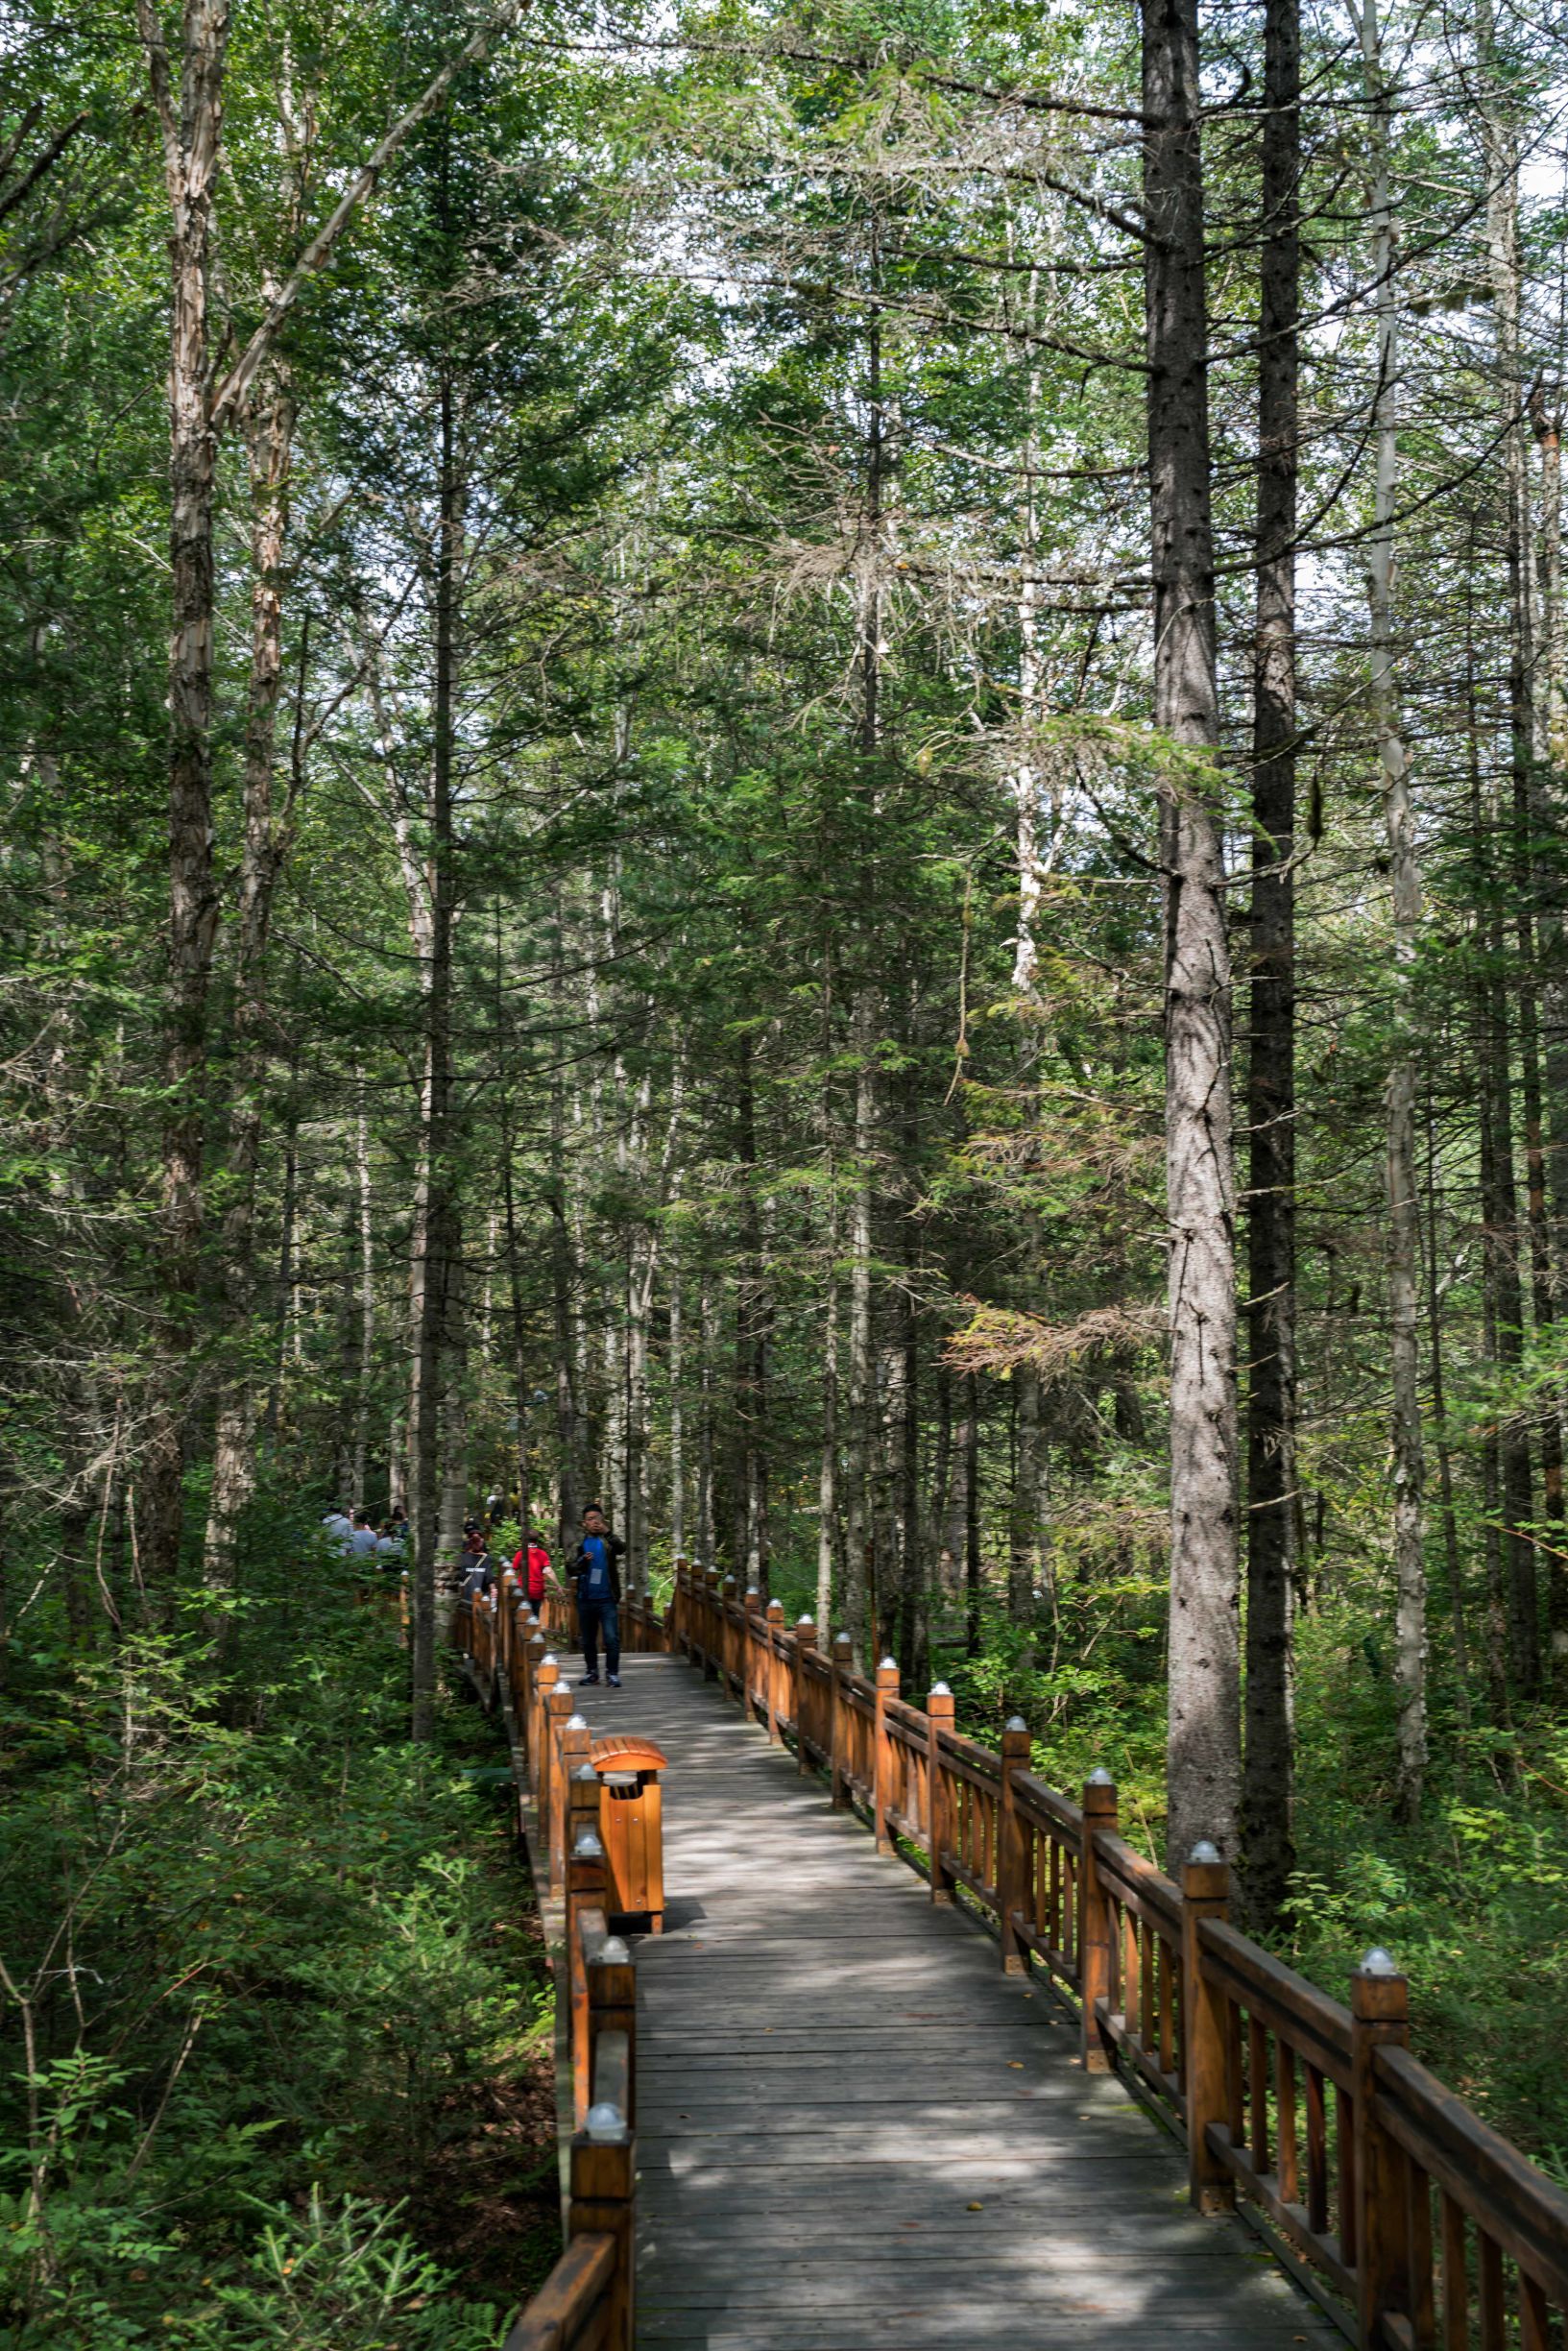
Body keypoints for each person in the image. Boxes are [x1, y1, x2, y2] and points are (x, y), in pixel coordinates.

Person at [568, 1503, 625, 1687]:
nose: (594, 1522)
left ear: (603, 1519)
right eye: (590, 1519)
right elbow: (570, 1568)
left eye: (597, 1518)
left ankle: (612, 1674)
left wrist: (607, 1531)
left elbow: (622, 1548)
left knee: (611, 1638)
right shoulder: (579, 1544)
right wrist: (582, 1561)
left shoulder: (608, 1541)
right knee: (588, 1640)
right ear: (584, 1523)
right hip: (585, 1598)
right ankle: (592, 1673)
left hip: (607, 1598)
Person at [513, 1528, 555, 1611]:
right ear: (537, 1540)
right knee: (535, 1615)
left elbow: (513, 1572)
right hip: (537, 1592)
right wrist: (558, 1586)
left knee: (522, 1614)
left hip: (523, 1591)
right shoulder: (543, 1554)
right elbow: (549, 1571)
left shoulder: (520, 1554)